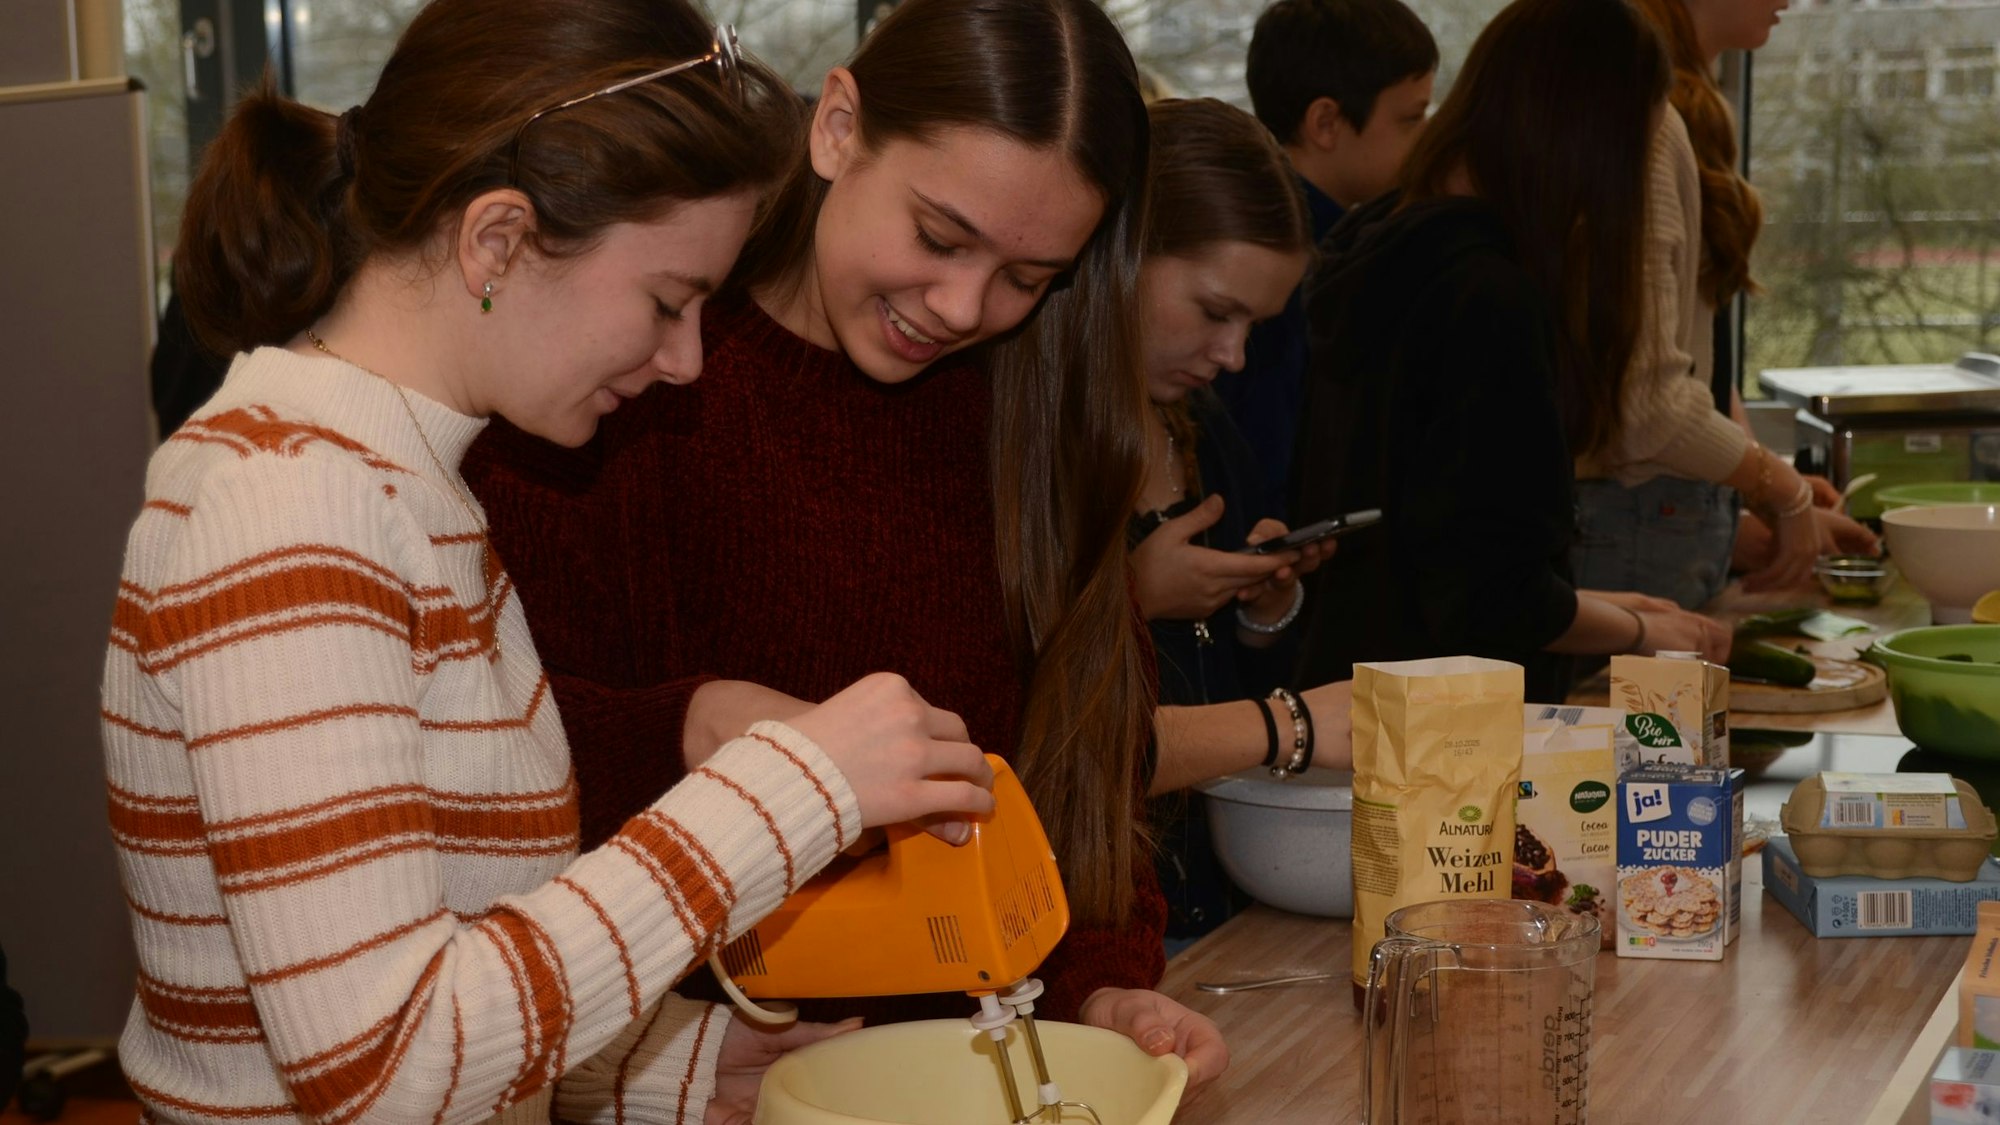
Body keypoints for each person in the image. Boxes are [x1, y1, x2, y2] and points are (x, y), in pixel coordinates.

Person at [99, 3, 998, 1122]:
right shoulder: (290, 504)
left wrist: (663, 1065)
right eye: (667, 303)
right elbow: (380, 1071)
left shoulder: (409, 491)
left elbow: (462, 942)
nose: (683, 362)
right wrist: (786, 794)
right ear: (498, 242)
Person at [464, 0, 1351, 1092]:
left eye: (1028, 279)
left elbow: (1078, 768)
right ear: (836, 126)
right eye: (939, 236)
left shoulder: (1029, 422)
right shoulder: (616, 390)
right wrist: (694, 728)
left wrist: (1101, 986)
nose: (962, 305)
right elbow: (481, 768)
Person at [1291, 0, 1732, 706]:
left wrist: (1619, 607)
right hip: (1447, 725)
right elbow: (1496, 596)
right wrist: (1636, 630)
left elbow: (1440, 536)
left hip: (1359, 681)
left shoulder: (1384, 234)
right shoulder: (1489, 298)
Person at [1571, 0, 1876, 609]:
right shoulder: (1649, 113)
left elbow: (1692, 359)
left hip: (1660, 509)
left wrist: (1750, 487)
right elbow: (1648, 398)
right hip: (1627, 513)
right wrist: (1775, 488)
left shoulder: (1685, 105)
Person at [1126, 98, 1320, 938]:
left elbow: (1234, 665)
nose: (1234, 355)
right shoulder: (1021, 445)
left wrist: (1264, 603)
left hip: (1214, 889)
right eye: (1214, 312)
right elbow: (1016, 722)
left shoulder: (1202, 423)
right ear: (1121, 251)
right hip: (1091, 912)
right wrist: (1135, 595)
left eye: (1255, 327)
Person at [1211, 0, 1438, 513]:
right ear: (1326, 122)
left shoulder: (1337, 240)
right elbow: (1269, 443)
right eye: (1411, 117)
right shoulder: (1289, 264)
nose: (1426, 138)